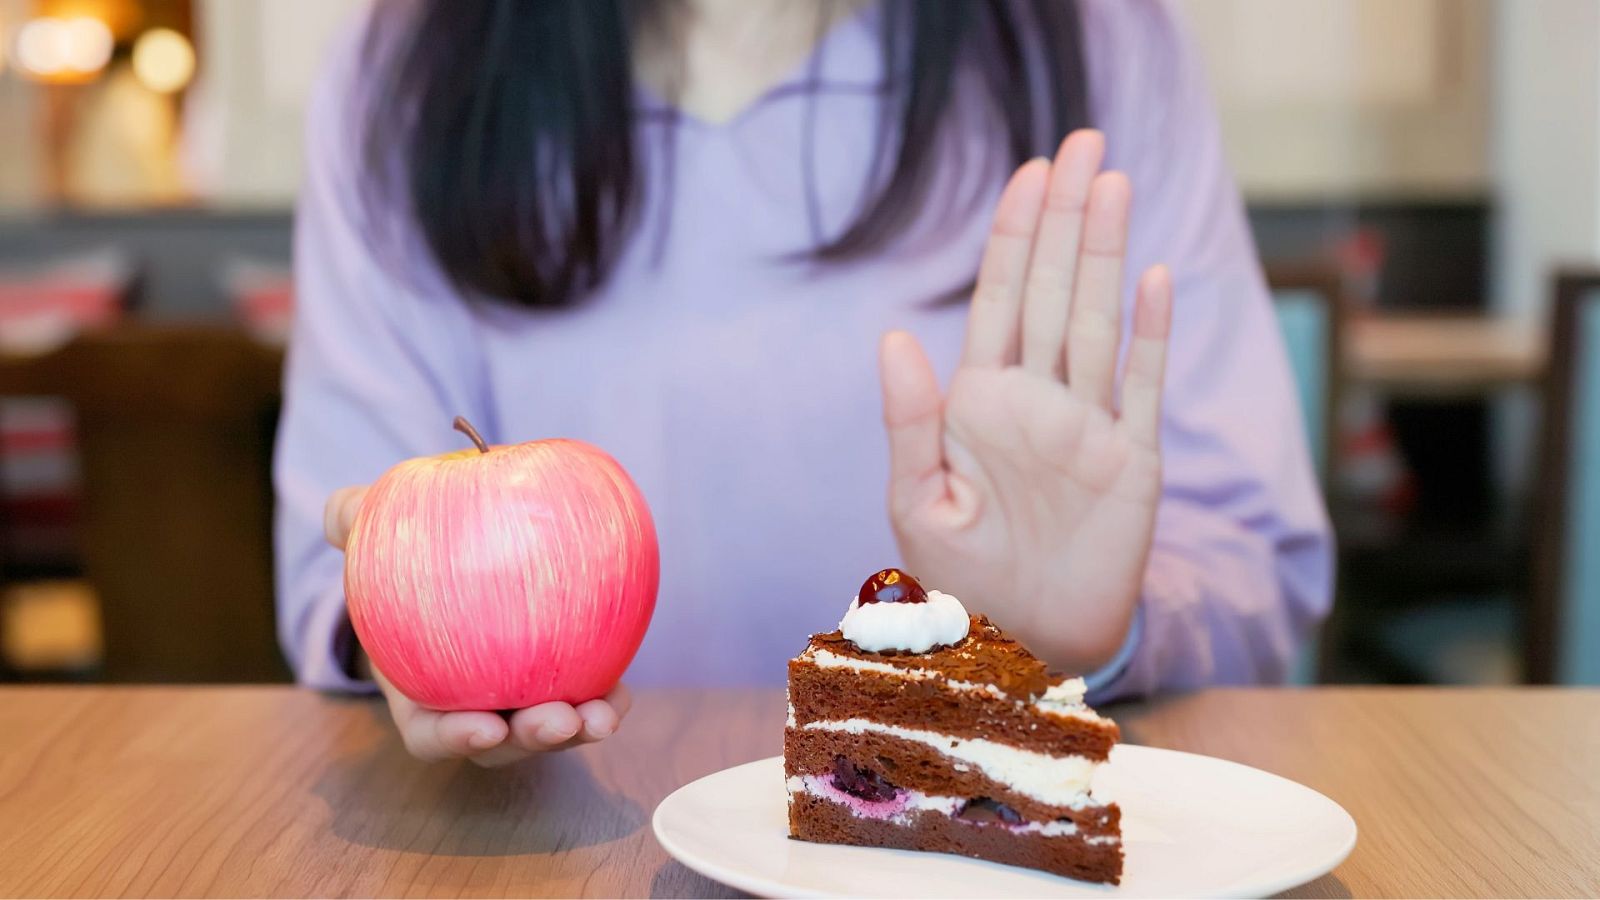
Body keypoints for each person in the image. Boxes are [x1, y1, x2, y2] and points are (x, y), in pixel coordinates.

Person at [277, 0, 1332, 768]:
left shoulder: (1099, 42)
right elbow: (331, 570)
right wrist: (401, 637)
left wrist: (1069, 641)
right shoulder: (403, 70)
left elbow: (1256, 562)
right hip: (556, 840)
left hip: (971, 839)